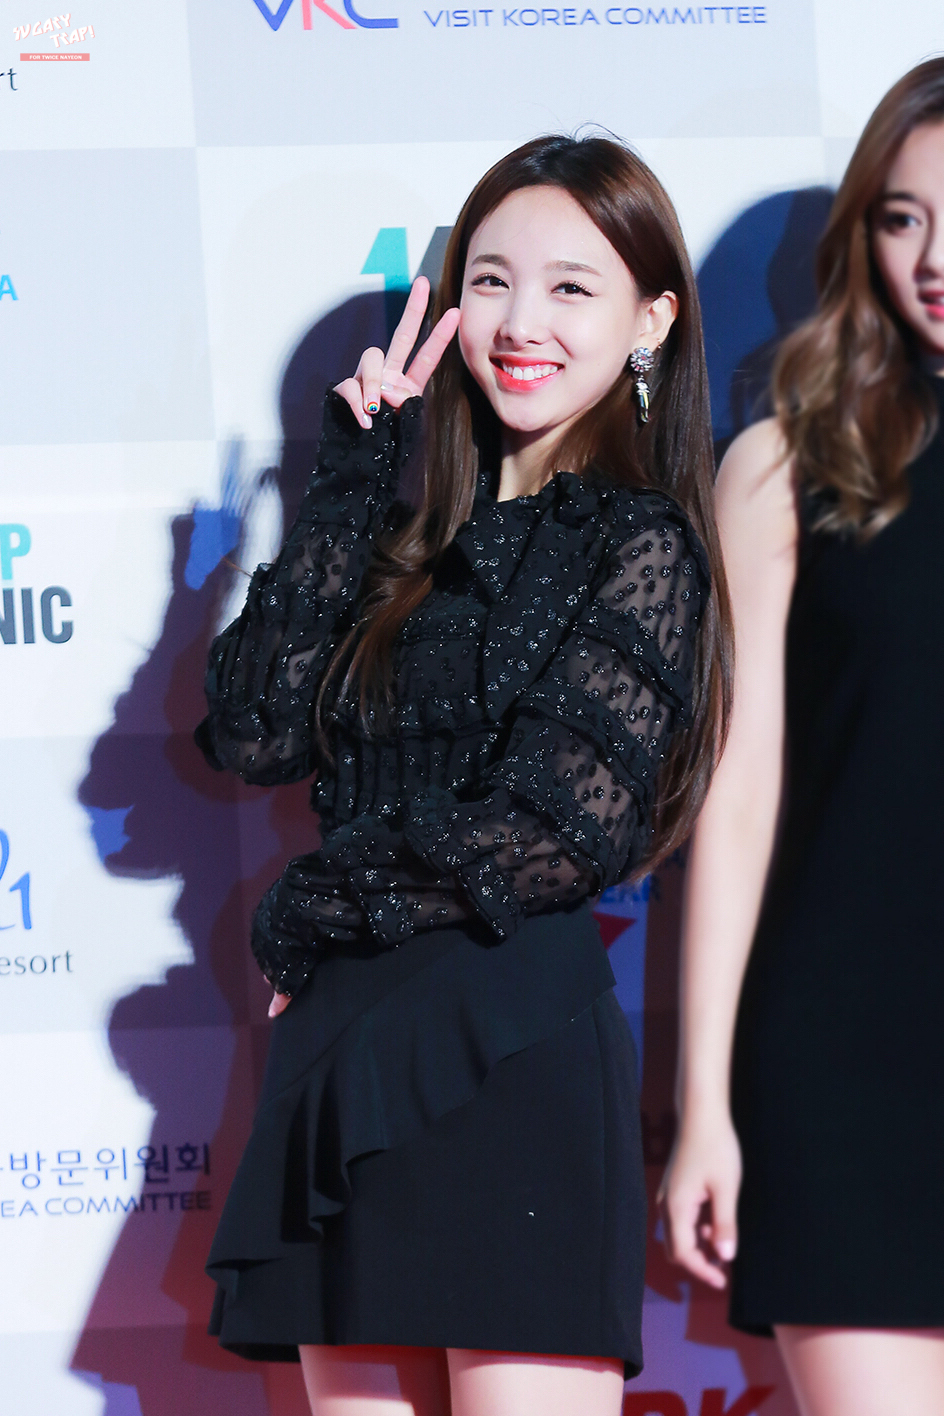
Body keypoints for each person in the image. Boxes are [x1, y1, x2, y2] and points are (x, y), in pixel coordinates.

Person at [197, 133, 729, 1416]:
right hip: (338, 1050)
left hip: (505, 1050)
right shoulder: (402, 535)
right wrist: (350, 477)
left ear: (650, 320)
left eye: (569, 287)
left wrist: (311, 903)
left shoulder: (642, 541)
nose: (519, 322)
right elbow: (254, 733)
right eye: (489, 281)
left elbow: (555, 826)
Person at [661, 59, 944, 1416]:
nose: (932, 260)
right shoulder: (787, 463)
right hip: (848, 1062)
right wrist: (704, 1103)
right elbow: (736, 797)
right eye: (901, 218)